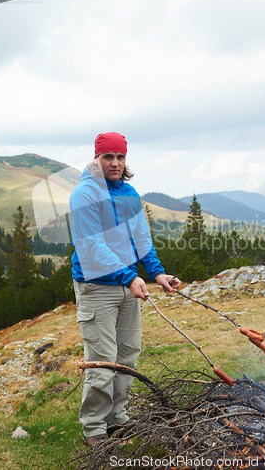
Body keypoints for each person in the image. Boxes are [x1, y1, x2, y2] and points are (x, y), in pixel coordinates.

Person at [69, 131, 181, 448]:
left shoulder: (129, 193)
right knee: (103, 360)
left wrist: (158, 274)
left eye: (120, 157)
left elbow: (141, 240)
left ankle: (118, 419)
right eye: (108, 157)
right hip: (97, 287)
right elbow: (91, 245)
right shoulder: (85, 194)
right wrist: (128, 277)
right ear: (97, 158)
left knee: (127, 356)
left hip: (127, 285)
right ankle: (94, 428)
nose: (115, 163)